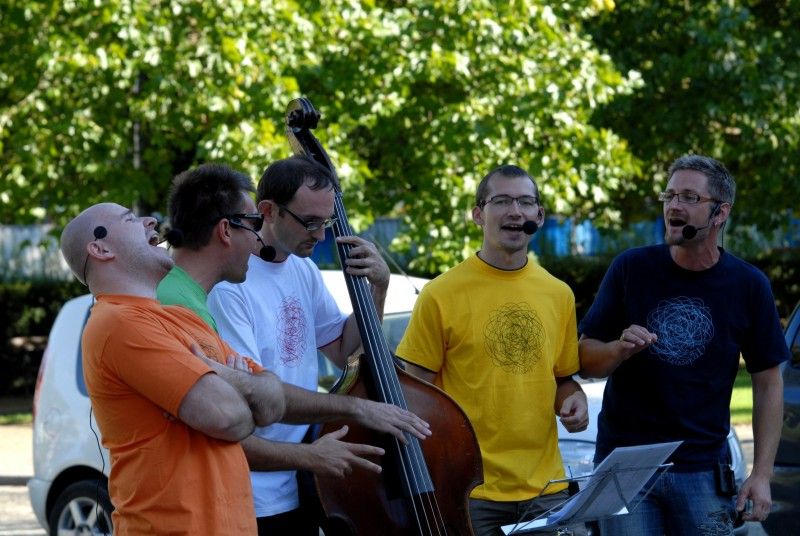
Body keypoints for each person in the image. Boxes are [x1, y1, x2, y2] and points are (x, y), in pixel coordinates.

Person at [206, 155, 431, 535]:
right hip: (255, 490)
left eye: (325, 222)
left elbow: (345, 353)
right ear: (268, 211)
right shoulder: (231, 285)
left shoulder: (303, 268)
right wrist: (357, 409)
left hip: (306, 476)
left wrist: (378, 288)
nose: (321, 236)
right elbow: (254, 396)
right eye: (309, 222)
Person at [578, 154, 788, 535]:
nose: (673, 205)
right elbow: (585, 358)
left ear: (721, 212)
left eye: (689, 197)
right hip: (625, 469)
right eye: (669, 195)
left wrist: (761, 474)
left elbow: (769, 383)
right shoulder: (630, 268)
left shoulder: (748, 285)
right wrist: (617, 350)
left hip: (704, 469)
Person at [59, 202, 286, 534]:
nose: (150, 221)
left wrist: (222, 376)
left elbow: (275, 402)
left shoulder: (181, 318)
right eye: (130, 219)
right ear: (101, 249)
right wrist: (245, 392)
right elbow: (228, 418)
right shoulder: (117, 323)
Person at [394, 164, 589, 536]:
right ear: (478, 215)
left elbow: (563, 379)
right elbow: (415, 393)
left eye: (525, 202)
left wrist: (574, 399)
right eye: (501, 201)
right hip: (468, 491)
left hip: (545, 490)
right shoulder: (440, 294)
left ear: (539, 216)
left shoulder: (559, 294)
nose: (515, 211)